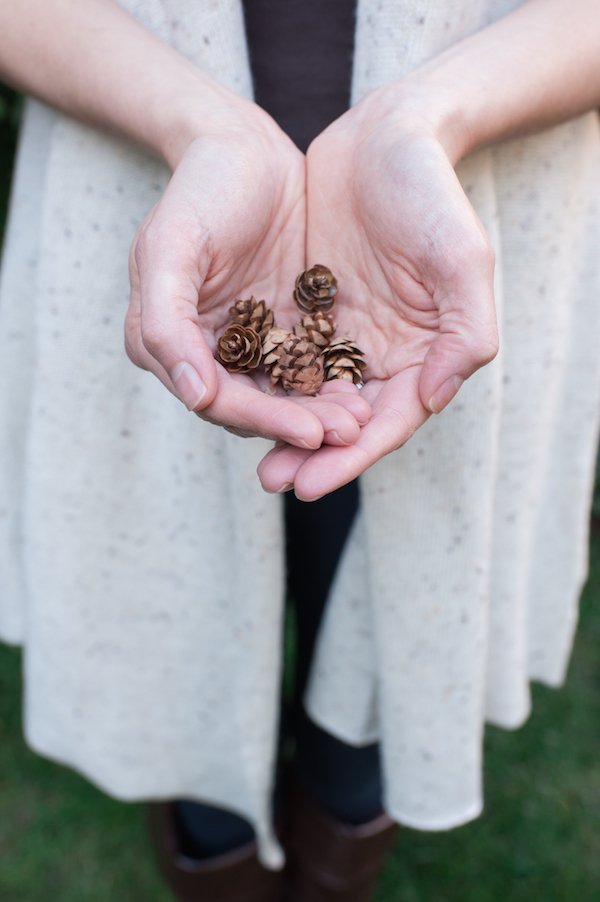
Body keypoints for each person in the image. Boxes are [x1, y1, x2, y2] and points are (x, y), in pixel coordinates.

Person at [0, 1, 599, 899]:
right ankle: (220, 859)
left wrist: (427, 116)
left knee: (394, 644)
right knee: (175, 638)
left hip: (449, 250)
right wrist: (199, 124)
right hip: (143, 213)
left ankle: (333, 867)